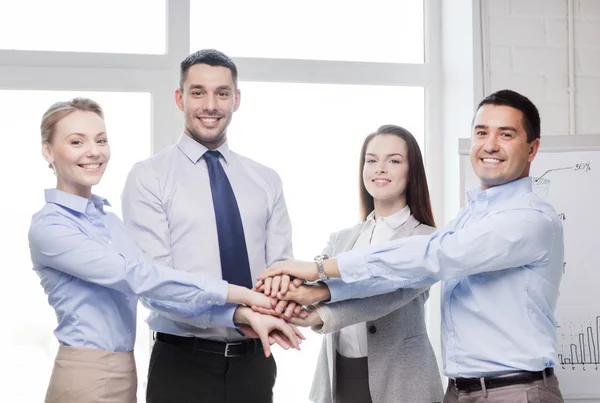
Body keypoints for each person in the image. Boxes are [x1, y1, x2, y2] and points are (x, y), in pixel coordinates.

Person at [260, 90, 565, 402]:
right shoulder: (468, 219)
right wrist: (312, 292)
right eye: (481, 132)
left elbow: (425, 262)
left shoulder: (529, 219)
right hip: (461, 390)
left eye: (506, 134)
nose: (490, 144)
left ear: (532, 148)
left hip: (511, 391)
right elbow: (394, 276)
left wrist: (319, 276)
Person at [30, 97, 301, 403]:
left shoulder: (108, 221)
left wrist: (239, 315)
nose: (94, 151)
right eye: (76, 141)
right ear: (48, 150)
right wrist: (244, 294)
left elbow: (162, 289)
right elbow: (141, 277)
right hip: (85, 372)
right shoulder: (50, 227)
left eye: (101, 140)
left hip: (123, 368)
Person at [122, 49, 295, 403]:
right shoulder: (149, 177)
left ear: (236, 99)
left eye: (222, 93)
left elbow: (280, 269)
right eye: (198, 92)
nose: (210, 105)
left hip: (256, 363)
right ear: (179, 97)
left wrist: (296, 298)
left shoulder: (266, 180)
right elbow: (157, 286)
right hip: (182, 365)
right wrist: (238, 311)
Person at [267, 125, 444, 402]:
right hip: (339, 377)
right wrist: (284, 290)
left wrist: (320, 313)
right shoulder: (342, 239)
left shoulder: (427, 240)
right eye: (371, 160)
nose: (380, 168)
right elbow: (309, 285)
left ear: (412, 173)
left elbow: (385, 293)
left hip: (403, 382)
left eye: (393, 160)